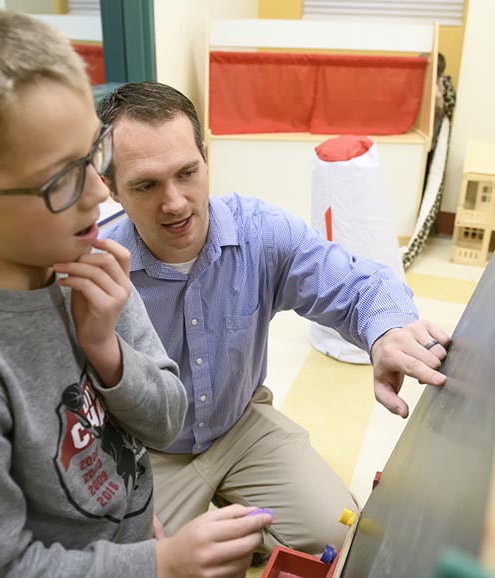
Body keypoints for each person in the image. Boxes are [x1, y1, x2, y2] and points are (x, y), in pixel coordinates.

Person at [0, 7, 271, 578]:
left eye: (94, 157)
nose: (99, 195)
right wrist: (157, 564)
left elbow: (165, 418)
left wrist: (107, 351)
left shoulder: (88, 259)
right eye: (59, 180)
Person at [96, 81, 451, 556]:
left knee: (341, 537)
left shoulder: (258, 232)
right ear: (110, 186)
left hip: (241, 425)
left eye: (187, 172)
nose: (176, 202)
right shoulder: (94, 272)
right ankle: (227, 527)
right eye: (146, 184)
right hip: (144, 454)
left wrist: (386, 330)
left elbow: (356, 282)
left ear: (206, 156)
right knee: (127, 563)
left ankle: (232, 520)